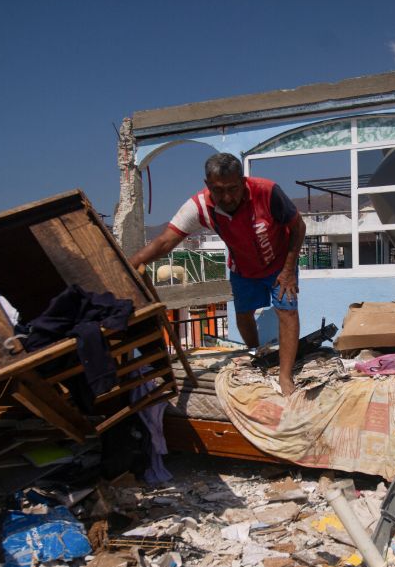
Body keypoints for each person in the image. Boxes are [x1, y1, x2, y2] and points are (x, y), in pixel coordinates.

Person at [129, 152, 306, 395]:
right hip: (242, 267)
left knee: (287, 309)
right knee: (243, 313)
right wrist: (131, 264)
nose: (226, 197)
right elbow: (165, 242)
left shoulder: (267, 192)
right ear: (207, 185)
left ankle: (286, 377)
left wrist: (288, 271)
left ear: (243, 182)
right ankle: (256, 354)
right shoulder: (199, 206)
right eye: (218, 190)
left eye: (233, 189)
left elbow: (298, 226)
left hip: (279, 264)